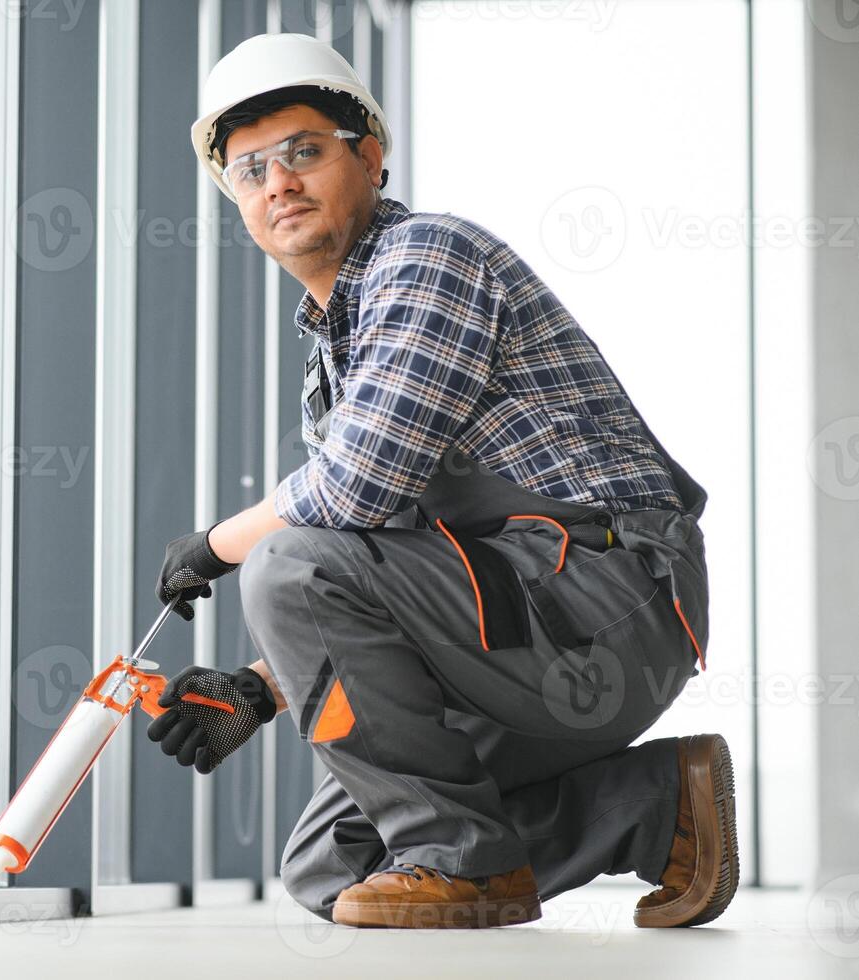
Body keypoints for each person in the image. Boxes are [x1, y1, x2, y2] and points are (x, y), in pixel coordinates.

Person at [147, 32, 736, 930]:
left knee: (286, 562)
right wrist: (262, 687)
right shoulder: (336, 362)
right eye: (249, 170)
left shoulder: (427, 256)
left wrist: (215, 546)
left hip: (607, 601)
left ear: (370, 158)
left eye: (303, 151)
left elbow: (352, 494)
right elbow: (393, 571)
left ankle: (465, 868)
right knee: (335, 868)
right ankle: (652, 808)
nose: (278, 184)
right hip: (515, 633)